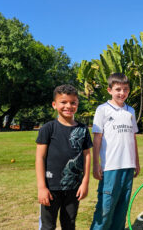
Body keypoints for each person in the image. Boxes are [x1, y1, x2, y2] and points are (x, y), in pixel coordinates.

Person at [36, 84, 92, 230]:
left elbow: (87, 156)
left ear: (77, 105)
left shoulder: (83, 129)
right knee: (48, 226)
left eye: (73, 102)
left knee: (69, 224)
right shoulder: (47, 128)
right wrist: (42, 187)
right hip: (51, 187)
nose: (68, 106)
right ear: (54, 105)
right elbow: (40, 158)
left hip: (74, 187)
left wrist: (85, 182)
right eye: (63, 102)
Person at [90, 73, 140, 230]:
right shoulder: (103, 110)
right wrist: (95, 163)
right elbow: (97, 138)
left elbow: (133, 138)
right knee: (106, 208)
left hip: (128, 166)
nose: (122, 93)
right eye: (118, 89)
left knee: (122, 208)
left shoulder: (130, 111)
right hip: (110, 167)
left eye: (125, 89)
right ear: (109, 90)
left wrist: (136, 163)